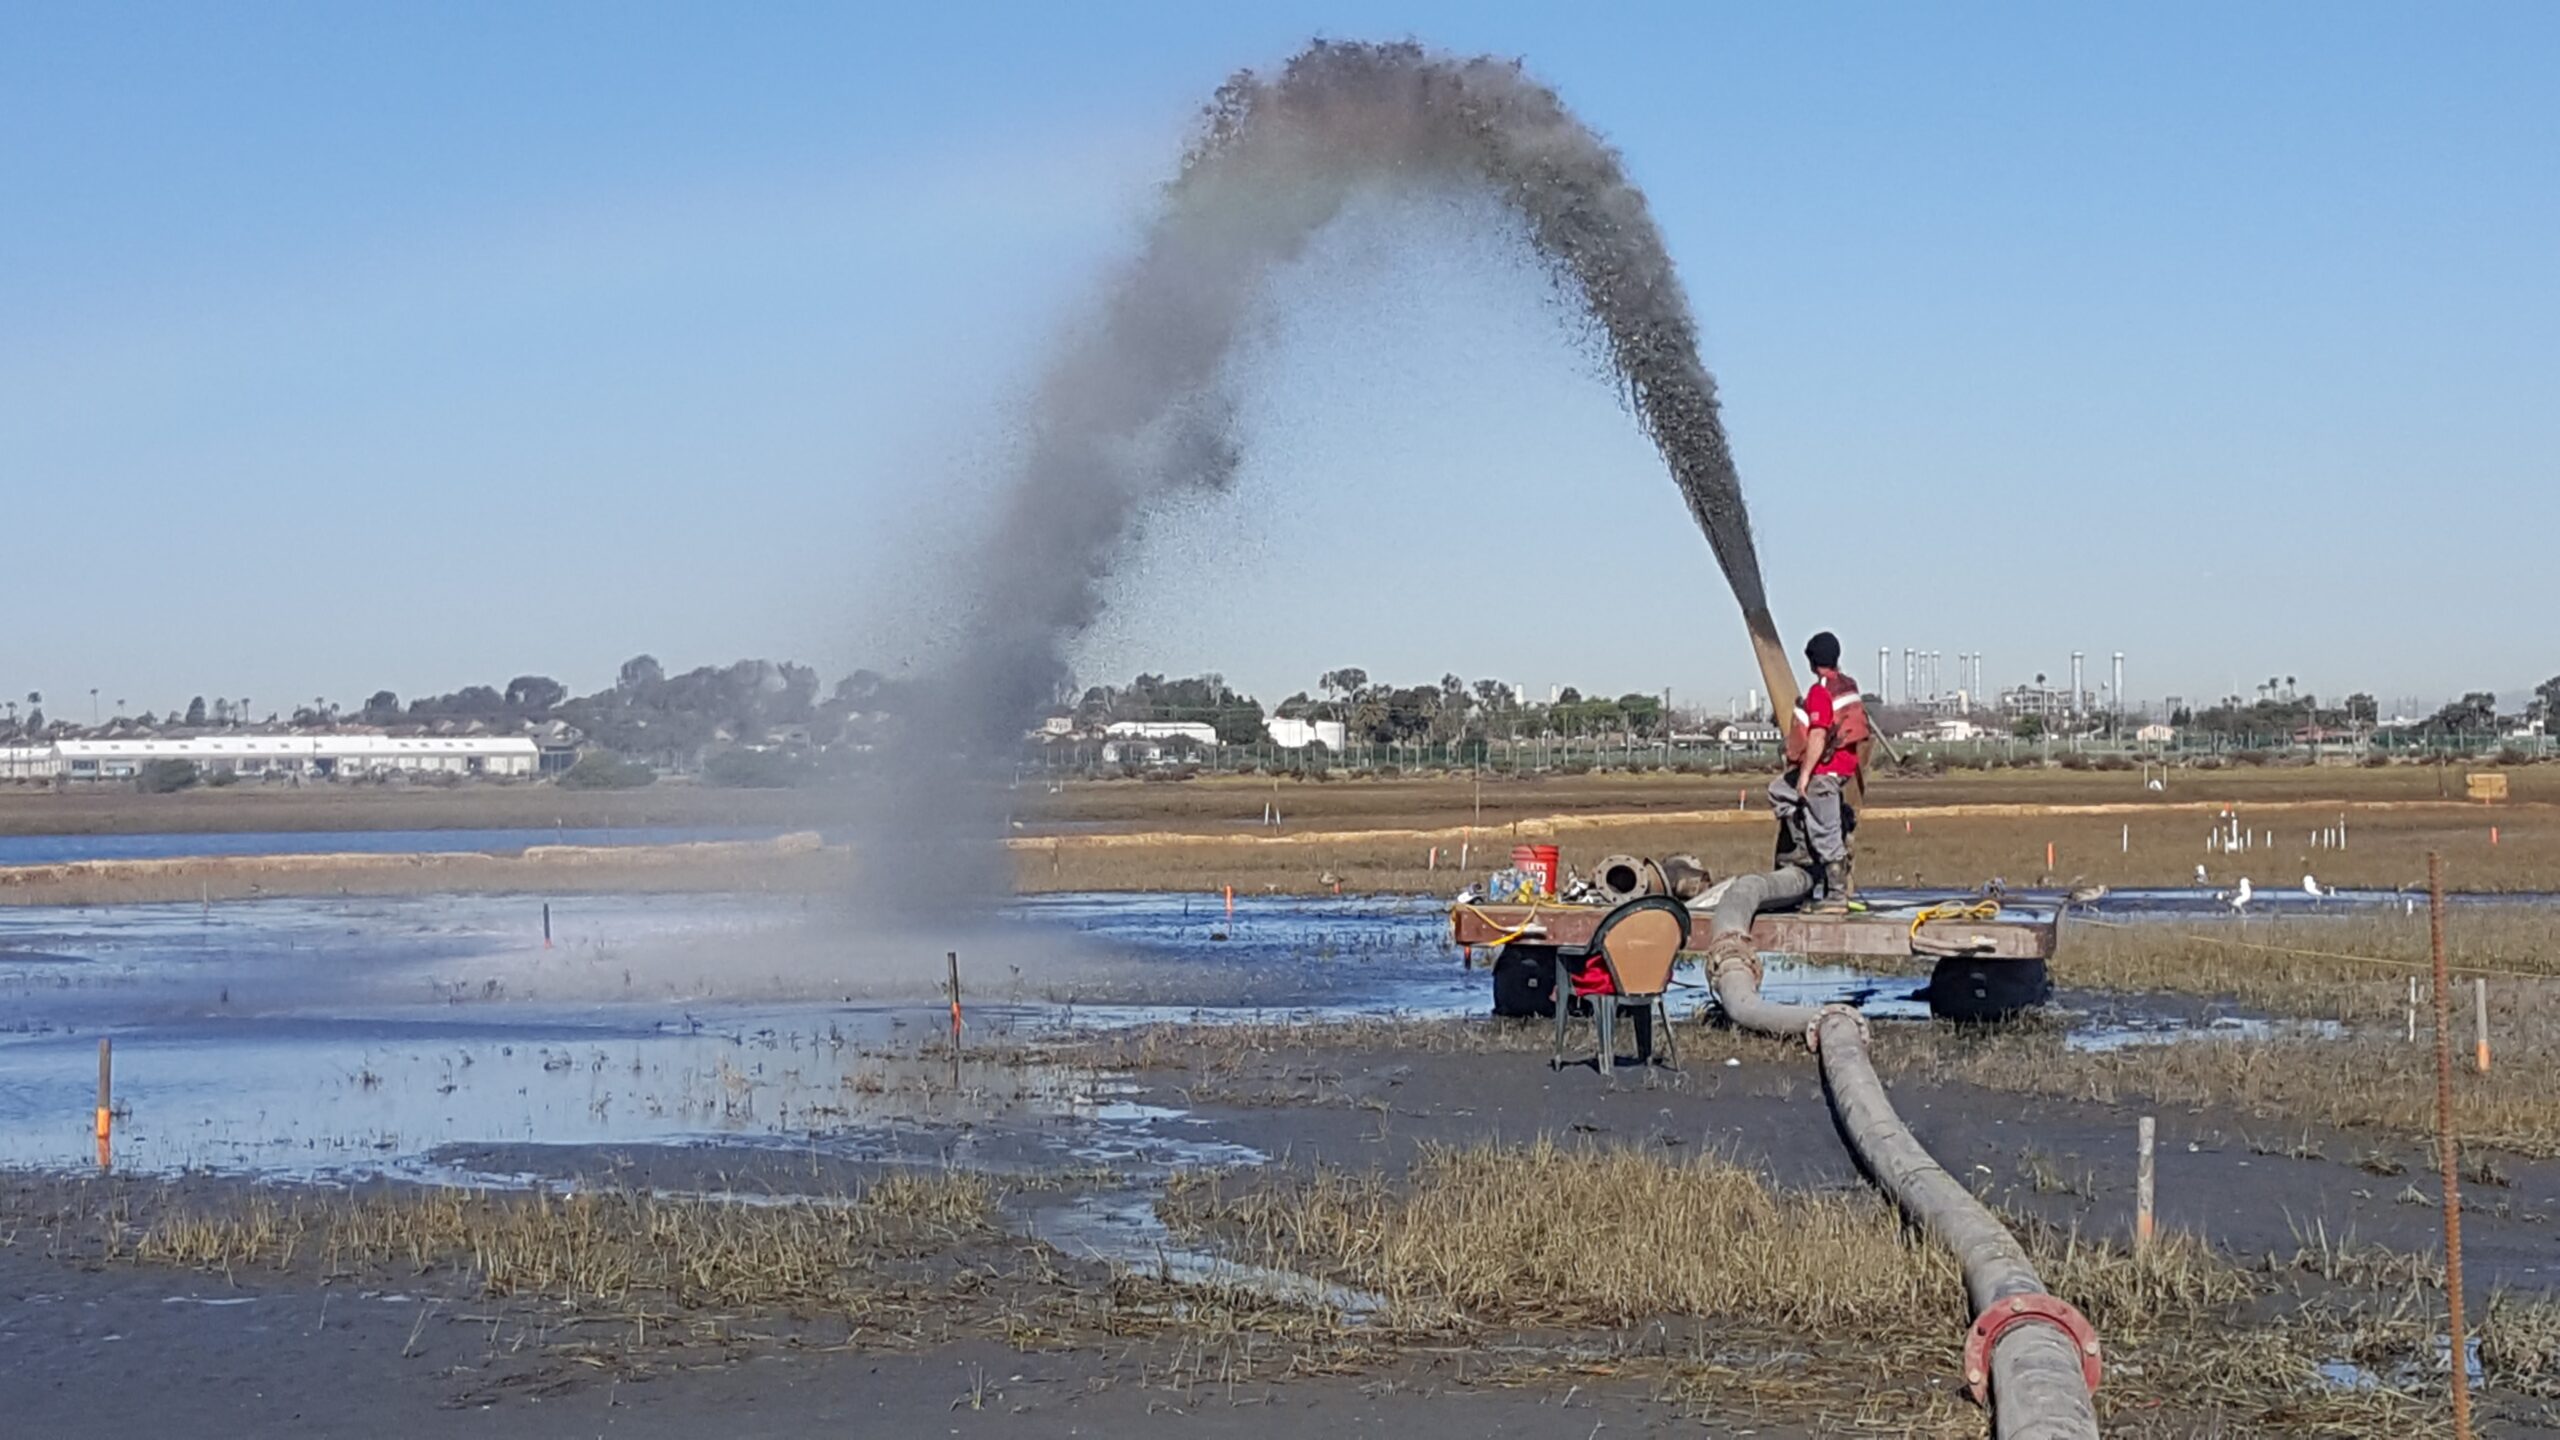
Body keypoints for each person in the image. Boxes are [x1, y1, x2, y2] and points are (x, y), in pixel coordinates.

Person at [1769, 631, 1869, 910]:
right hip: (1843, 769)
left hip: (1824, 772)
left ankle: (1836, 895)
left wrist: (1805, 775)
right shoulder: (1847, 686)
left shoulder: (1820, 692)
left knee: (1826, 833)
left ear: (1812, 661)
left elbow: (1818, 736)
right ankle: (1803, 844)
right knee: (1779, 790)